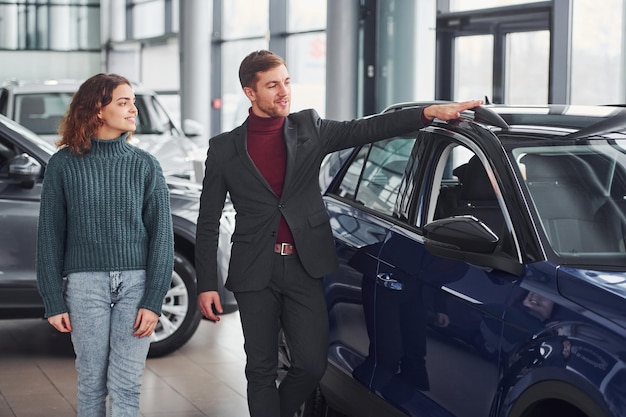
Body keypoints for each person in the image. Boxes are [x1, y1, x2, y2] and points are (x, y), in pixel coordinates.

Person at [195, 49, 481, 417]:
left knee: (312, 365)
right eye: (272, 85)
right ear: (250, 93)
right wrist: (206, 283)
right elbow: (208, 220)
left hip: (303, 264)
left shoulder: (309, 128)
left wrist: (428, 113)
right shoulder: (224, 149)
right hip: (254, 270)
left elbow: (369, 127)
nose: (284, 92)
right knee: (260, 369)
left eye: (286, 82)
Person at [36, 73, 174, 417]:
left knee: (127, 385)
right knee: (91, 385)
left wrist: (154, 299)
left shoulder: (145, 165)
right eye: (123, 102)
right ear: (98, 110)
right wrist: (53, 298)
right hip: (85, 286)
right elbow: (49, 235)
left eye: (133, 102)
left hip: (136, 285)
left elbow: (162, 237)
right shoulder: (63, 165)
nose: (133, 110)